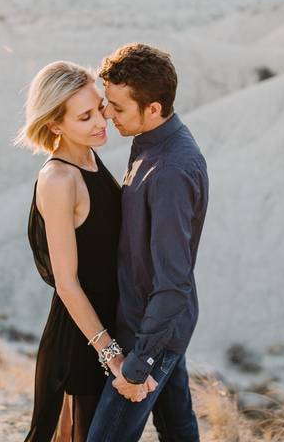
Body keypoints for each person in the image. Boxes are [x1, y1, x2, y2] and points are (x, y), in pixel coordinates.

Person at [87, 43, 209, 442]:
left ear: (153, 108)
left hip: (150, 337)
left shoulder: (172, 170)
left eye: (118, 107)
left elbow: (173, 280)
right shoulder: (151, 142)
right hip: (155, 327)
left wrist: (138, 366)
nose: (107, 114)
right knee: (177, 430)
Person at [15, 61, 129, 442]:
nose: (101, 120)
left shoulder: (89, 156)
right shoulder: (59, 179)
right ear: (55, 124)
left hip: (105, 325)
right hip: (82, 341)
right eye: (85, 116)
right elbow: (66, 283)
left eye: (100, 107)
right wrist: (109, 352)